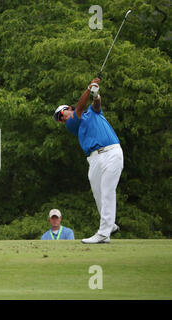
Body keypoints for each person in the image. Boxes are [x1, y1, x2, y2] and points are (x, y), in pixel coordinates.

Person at [53, 78, 122, 244]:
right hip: (94, 159)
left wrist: (95, 94)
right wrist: (88, 89)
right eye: (60, 120)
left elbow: (96, 104)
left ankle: (104, 233)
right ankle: (109, 224)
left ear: (68, 109)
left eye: (61, 115)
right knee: (98, 193)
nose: (62, 120)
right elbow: (81, 106)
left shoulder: (93, 112)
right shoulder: (72, 124)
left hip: (111, 152)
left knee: (107, 192)